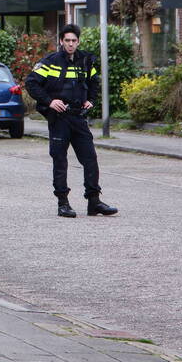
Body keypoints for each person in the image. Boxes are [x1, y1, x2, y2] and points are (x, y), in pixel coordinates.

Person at [25, 23, 118, 218]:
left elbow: (94, 82)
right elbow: (31, 83)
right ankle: (63, 203)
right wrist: (50, 101)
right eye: (67, 40)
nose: (70, 44)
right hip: (59, 119)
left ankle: (94, 202)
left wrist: (91, 101)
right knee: (60, 161)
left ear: (78, 42)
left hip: (78, 118)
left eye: (74, 41)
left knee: (90, 159)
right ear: (61, 41)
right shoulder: (50, 61)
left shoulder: (85, 60)